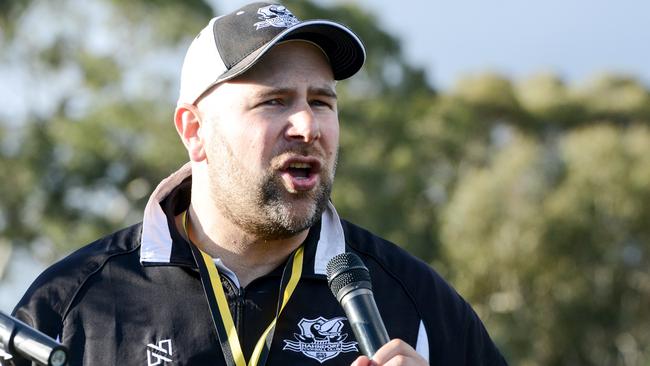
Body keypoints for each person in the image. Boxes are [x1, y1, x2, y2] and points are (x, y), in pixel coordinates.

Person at [5, 2, 507, 365]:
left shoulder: (414, 301)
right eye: (274, 101)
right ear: (194, 131)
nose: (308, 126)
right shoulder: (72, 303)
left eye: (322, 102)